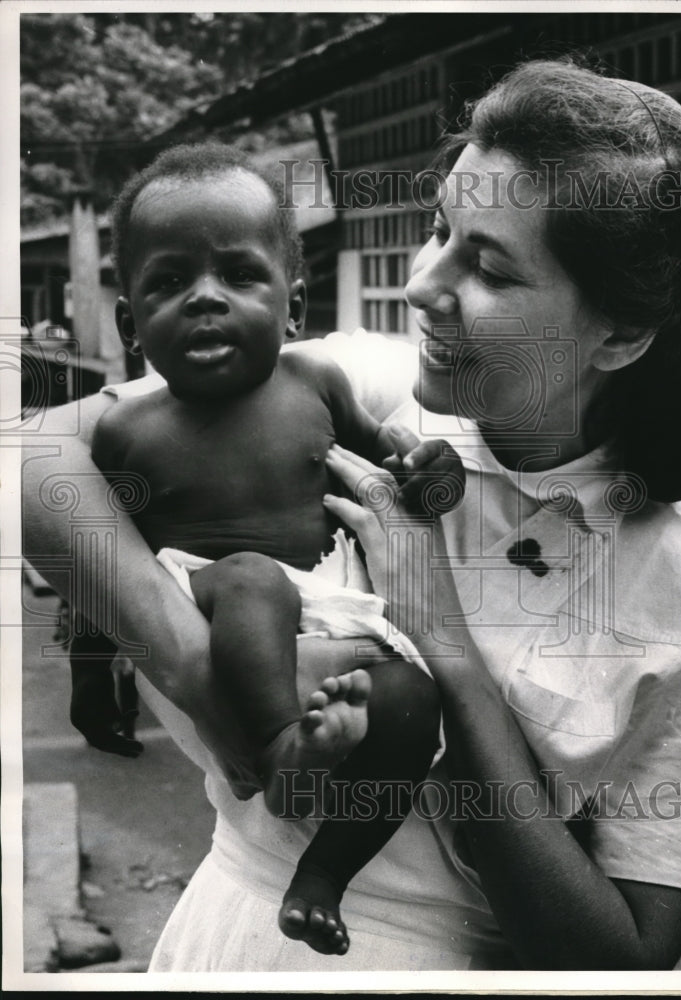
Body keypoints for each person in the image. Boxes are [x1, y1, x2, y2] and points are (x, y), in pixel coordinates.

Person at [23, 58, 681, 971]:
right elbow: (35, 452)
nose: (420, 284)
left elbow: (621, 964)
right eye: (438, 229)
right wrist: (186, 660)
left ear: (620, 332)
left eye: (486, 264)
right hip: (227, 941)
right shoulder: (356, 391)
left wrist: (444, 646)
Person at [63, 142, 465, 957]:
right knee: (251, 579)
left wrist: (435, 471)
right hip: (219, 602)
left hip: (336, 609)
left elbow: (399, 466)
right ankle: (286, 752)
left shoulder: (317, 383)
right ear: (130, 324)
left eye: (240, 276)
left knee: (416, 705)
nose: (206, 300)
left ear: (292, 304)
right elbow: (96, 569)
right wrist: (88, 677)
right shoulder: (123, 434)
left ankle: (323, 876)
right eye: (171, 283)